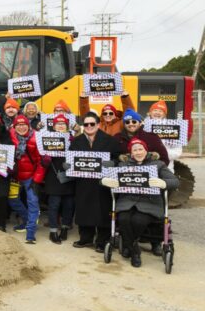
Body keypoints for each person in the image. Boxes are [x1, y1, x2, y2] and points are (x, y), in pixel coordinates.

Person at [100, 138, 179, 267]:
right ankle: (134, 250)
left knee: (138, 220)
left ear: (146, 150)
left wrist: (163, 183)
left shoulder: (158, 165)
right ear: (131, 153)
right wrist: (105, 181)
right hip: (127, 201)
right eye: (135, 150)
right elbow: (105, 177)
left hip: (150, 202)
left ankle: (128, 246)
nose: (138, 152)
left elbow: (175, 181)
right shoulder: (123, 165)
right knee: (123, 219)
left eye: (140, 149)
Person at [68, 111, 122, 251]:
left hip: (102, 182)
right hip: (83, 182)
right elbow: (71, 159)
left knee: (103, 210)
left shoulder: (110, 140)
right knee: (84, 208)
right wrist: (68, 166)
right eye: (86, 124)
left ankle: (102, 240)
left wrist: (113, 163)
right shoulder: (76, 141)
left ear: (98, 124)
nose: (89, 126)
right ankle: (85, 238)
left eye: (92, 124)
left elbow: (119, 157)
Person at [39, 114, 75, 244]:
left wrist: (71, 162)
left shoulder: (73, 139)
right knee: (54, 205)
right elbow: (42, 161)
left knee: (68, 205)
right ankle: (53, 231)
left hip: (69, 175)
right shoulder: (47, 138)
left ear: (67, 126)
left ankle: (65, 228)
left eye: (63, 123)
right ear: (53, 126)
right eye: (58, 124)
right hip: (53, 176)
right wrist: (45, 159)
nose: (60, 126)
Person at [8, 115, 44, 244]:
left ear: (28, 126)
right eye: (18, 125)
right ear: (14, 126)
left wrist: (36, 179)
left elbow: (41, 162)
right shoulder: (10, 135)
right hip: (15, 177)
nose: (21, 127)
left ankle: (30, 233)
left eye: (24, 125)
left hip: (31, 177)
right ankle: (26, 220)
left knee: (33, 202)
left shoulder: (36, 138)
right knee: (12, 200)